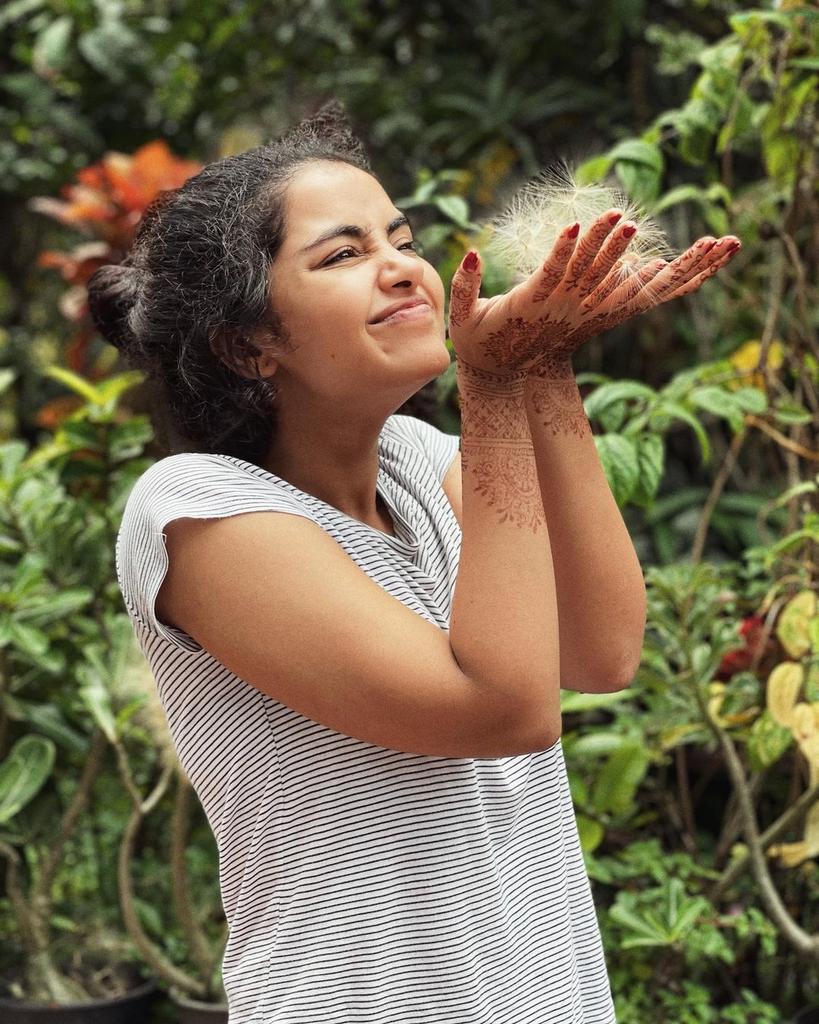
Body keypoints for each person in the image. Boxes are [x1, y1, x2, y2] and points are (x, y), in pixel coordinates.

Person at [88, 98, 740, 1023]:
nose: (401, 268)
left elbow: (601, 652)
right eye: (343, 255)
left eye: (399, 237)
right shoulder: (199, 511)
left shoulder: (421, 461)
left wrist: (541, 363)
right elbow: (508, 709)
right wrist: (492, 380)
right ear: (249, 345)